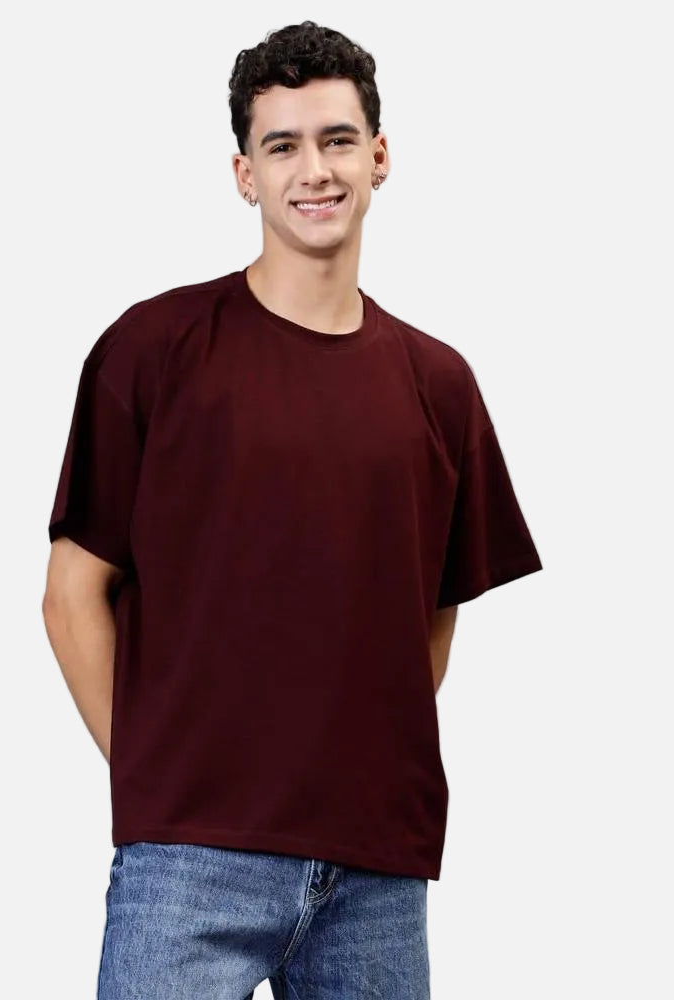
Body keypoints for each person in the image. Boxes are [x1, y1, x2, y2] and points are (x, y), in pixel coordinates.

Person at [42, 19, 542, 1000]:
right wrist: (159, 778)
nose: (314, 170)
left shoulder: (438, 384)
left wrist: (343, 765)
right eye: (282, 146)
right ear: (245, 174)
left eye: (336, 140)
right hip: (188, 863)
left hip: (375, 871)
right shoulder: (153, 350)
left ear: (379, 157)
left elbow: (432, 605)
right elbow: (70, 594)